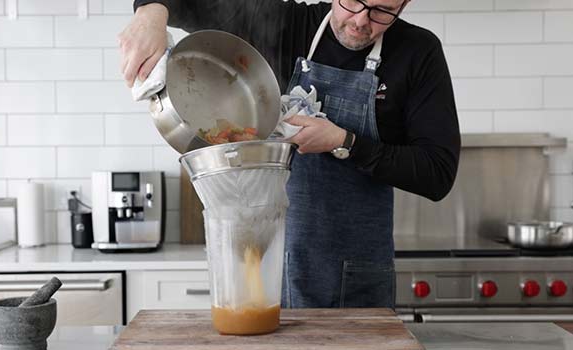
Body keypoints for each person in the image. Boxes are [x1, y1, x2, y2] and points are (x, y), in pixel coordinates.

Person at [119, 0, 461, 308]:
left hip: (359, 274)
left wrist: (344, 141)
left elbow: (437, 173)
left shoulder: (417, 51)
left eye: (382, 10)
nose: (360, 20)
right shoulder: (287, 23)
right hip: (267, 268)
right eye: (352, 2)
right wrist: (150, 13)